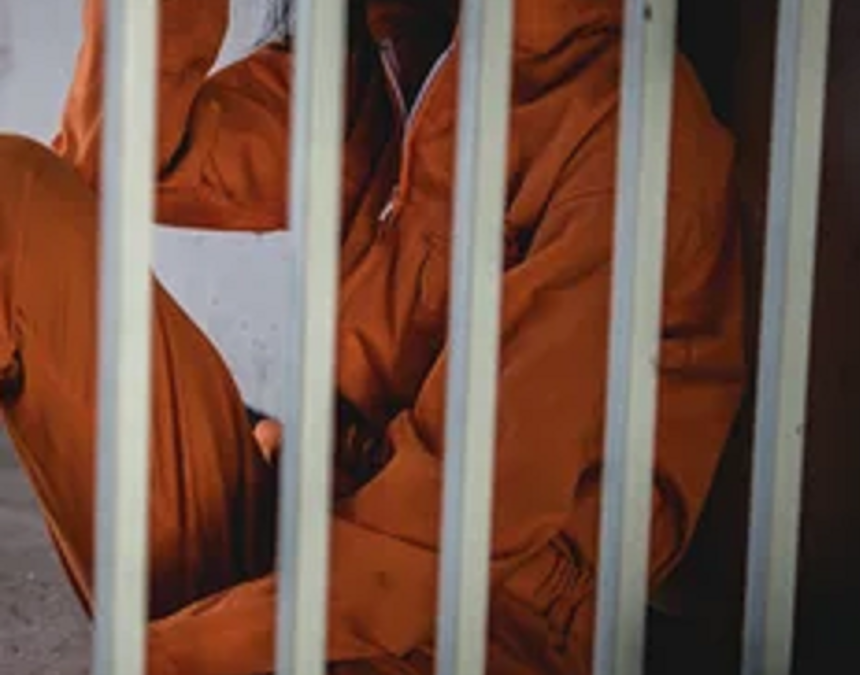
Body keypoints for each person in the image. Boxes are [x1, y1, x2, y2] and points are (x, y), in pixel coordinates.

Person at [0, 0, 744, 672]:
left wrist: (165, 657)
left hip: (467, 625)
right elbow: (122, 158)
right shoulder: (401, 47)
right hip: (299, 537)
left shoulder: (629, 134)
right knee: (14, 195)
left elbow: (458, 525)